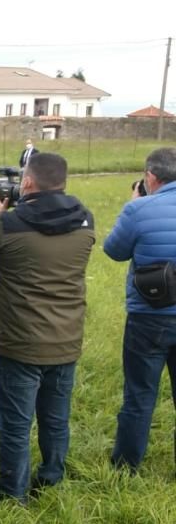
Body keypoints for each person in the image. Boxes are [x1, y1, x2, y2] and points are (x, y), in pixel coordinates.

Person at [0, 152, 94, 503]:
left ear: (28, 183)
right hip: (66, 340)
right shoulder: (86, 221)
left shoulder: (10, 224)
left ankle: (11, 495)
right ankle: (51, 478)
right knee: (55, 420)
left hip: (20, 343)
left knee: (16, 427)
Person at [104, 147, 176, 472]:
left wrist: (133, 206)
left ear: (150, 177)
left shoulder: (139, 210)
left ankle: (126, 465)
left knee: (139, 394)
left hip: (149, 314)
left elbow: (114, 251)